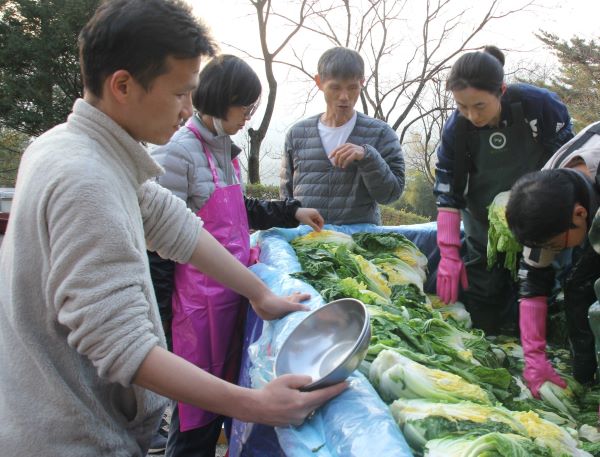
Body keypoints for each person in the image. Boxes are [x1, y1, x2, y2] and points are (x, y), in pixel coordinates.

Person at [0, 1, 346, 455]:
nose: (188, 109)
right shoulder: (85, 178)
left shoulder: (76, 146)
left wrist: (258, 293)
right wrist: (256, 405)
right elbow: (124, 347)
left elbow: (175, 224)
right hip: (70, 436)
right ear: (123, 85)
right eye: (180, 93)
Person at [149, 54, 325, 457]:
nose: (248, 116)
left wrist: (290, 210)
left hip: (230, 298)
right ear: (219, 99)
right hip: (192, 312)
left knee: (226, 403)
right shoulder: (177, 152)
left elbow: (237, 207)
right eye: (244, 107)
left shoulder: (225, 150)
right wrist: (165, 325)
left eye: (252, 108)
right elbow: (155, 248)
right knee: (195, 419)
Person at [433, 45, 574, 334]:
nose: (471, 115)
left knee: (541, 285)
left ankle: (543, 351)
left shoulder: (540, 106)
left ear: (502, 89)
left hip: (538, 215)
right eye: (462, 106)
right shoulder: (456, 131)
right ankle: (492, 349)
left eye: (479, 105)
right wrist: (448, 252)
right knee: (484, 291)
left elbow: (566, 162)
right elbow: (449, 189)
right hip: (483, 223)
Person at [505, 121, 600, 397]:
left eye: (553, 245)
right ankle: (585, 373)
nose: (552, 252)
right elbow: (533, 279)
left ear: (580, 214)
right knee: (577, 286)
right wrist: (534, 356)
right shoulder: (545, 190)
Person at [279, 46, 405, 225]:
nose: (344, 97)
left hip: (360, 246)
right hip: (308, 245)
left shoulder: (381, 133)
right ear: (319, 82)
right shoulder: (297, 135)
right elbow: (286, 199)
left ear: (362, 82)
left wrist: (367, 156)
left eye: (352, 87)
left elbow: (391, 194)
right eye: (335, 88)